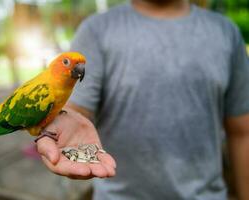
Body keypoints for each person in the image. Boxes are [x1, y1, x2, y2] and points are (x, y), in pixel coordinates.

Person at [36, 0, 249, 199]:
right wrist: (61, 125)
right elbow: (75, 109)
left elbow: (242, 132)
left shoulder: (225, 32)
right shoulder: (96, 30)